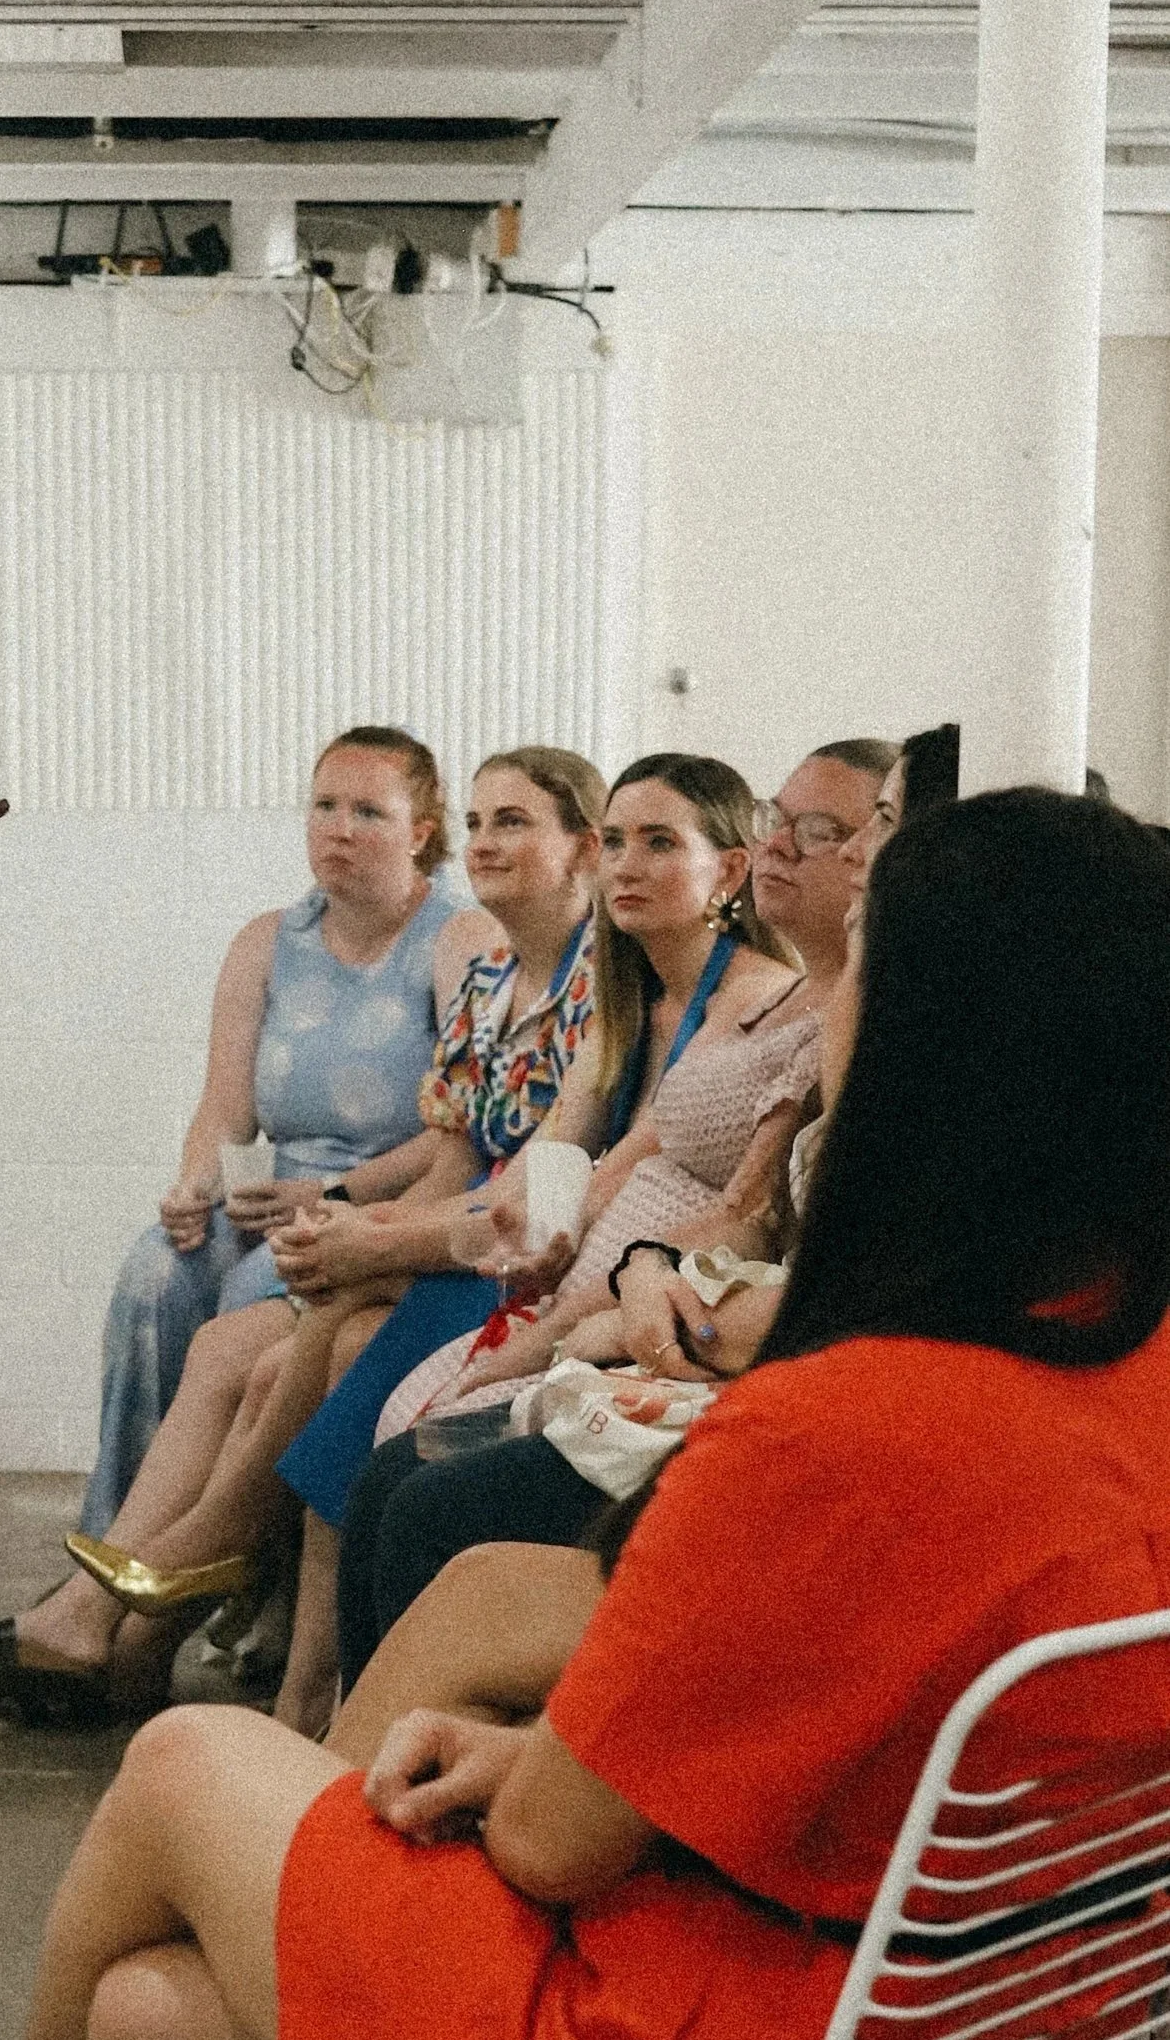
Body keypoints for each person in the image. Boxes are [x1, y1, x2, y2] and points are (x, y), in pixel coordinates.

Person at [0, 787, 1170, 2040]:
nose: (830, 1023)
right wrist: (557, 1749)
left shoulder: (849, 1427)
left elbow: (550, 1841)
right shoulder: (1126, 1372)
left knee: (184, 1759)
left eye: (861, 984)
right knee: (155, 2024)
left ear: (955, 1052)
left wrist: (543, 1768)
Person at [0, 748, 605, 1730]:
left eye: (512, 822)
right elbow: (309, 1125)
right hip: (389, 1206)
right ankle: (118, 1599)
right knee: (181, 1296)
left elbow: (529, 1180)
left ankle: (194, 1601)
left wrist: (357, 1214)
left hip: (493, 1237)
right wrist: (228, 1191)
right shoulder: (479, 975)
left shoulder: (531, 964)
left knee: (278, 1334)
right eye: (323, 803)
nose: (487, 841)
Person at [331, 728, 931, 1699]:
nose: (829, 850)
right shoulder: (710, 1000)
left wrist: (611, 1314)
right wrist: (616, 1280)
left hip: (724, 1373)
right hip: (625, 1305)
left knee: (419, 1496)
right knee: (379, 1453)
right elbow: (612, 1170)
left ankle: (373, 1757)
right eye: (616, 839)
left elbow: (826, 1280)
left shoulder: (845, 1014)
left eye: (848, 828)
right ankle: (340, 1739)